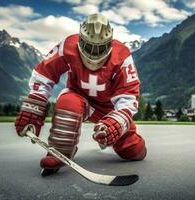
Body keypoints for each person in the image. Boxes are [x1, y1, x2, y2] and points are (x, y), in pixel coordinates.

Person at [15, 13, 147, 176]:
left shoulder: (122, 55)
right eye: (89, 45)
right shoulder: (67, 46)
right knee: (67, 100)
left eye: (100, 47)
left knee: (134, 151)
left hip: (108, 110)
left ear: (110, 42)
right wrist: (35, 103)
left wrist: (117, 121)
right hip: (78, 98)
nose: (94, 52)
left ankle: (135, 145)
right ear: (80, 39)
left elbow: (129, 95)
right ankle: (60, 149)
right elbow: (44, 74)